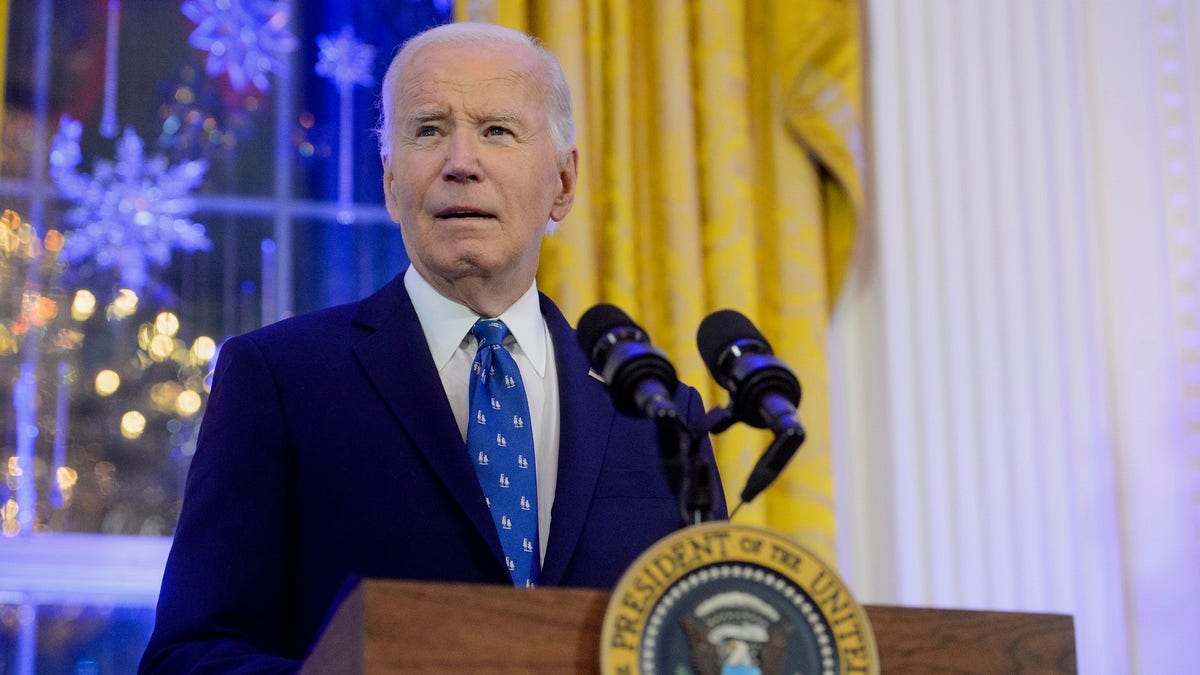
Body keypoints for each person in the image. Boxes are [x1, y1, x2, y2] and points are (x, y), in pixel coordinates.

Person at [138, 21, 725, 673]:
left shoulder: (657, 414)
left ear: (563, 182)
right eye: (428, 130)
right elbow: (186, 657)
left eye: (497, 130)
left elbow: (708, 644)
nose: (461, 163)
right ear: (391, 181)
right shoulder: (280, 379)